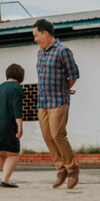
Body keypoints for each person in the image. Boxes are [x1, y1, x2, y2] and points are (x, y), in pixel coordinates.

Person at [33, 19, 80, 189]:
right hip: (42, 101)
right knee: (47, 136)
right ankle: (61, 169)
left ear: (46, 33)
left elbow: (73, 74)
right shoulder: (40, 53)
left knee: (57, 135)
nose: (35, 39)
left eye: (36, 35)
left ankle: (72, 169)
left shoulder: (63, 51)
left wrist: (64, 89)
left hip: (58, 101)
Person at [0, 63, 25, 187]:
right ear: (21, 76)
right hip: (8, 124)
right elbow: (17, 108)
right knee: (13, 153)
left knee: (1, 153)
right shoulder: (17, 88)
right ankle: (5, 180)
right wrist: (20, 126)